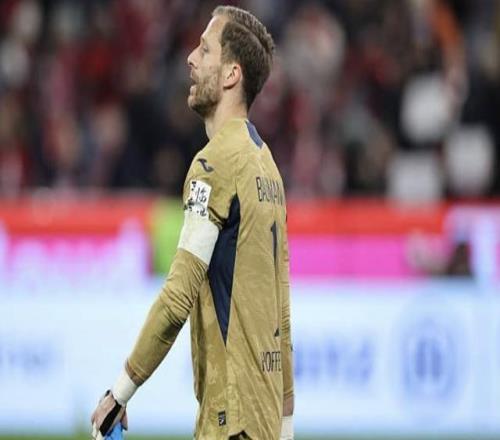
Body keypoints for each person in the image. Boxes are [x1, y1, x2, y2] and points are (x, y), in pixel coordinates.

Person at [91, 5, 294, 440]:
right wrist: (286, 425)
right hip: (263, 419)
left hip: (230, 418)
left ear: (231, 75)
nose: (190, 58)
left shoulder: (214, 165)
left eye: (205, 50)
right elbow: (282, 311)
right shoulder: (267, 167)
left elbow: (178, 296)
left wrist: (120, 393)